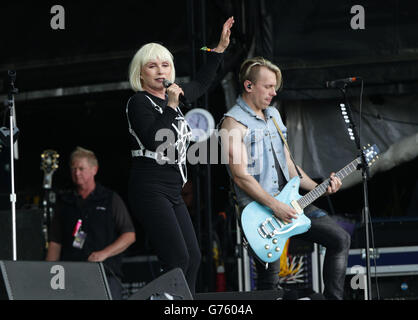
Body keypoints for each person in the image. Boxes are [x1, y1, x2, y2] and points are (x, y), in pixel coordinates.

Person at [218, 57, 351, 300]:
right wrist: (275, 206)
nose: (274, 91)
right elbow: (240, 176)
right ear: (249, 86)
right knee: (270, 283)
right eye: (268, 86)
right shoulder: (232, 124)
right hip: (261, 213)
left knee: (339, 238)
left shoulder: (274, 116)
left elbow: (289, 166)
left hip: (293, 203)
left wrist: (320, 187)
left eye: (275, 86)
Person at [126, 17, 234, 295]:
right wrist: (173, 106)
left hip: (172, 189)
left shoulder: (172, 98)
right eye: (152, 66)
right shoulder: (139, 102)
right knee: (177, 259)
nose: (160, 71)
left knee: (194, 258)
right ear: (141, 75)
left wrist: (219, 49)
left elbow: (201, 83)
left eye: (164, 65)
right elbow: (155, 138)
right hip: (149, 187)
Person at [46, 147, 136, 300]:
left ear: (94, 169)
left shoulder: (110, 199)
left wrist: (104, 253)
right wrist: (47, 275)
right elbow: (55, 242)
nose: (77, 173)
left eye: (81, 168)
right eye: (73, 168)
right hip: (71, 275)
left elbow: (129, 235)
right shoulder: (65, 202)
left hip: (105, 275)